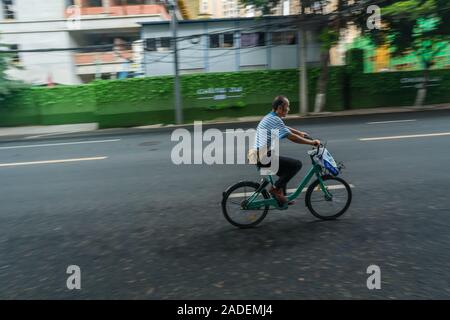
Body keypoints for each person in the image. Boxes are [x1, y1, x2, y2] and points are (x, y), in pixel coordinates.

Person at [253, 96, 320, 205]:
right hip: (262, 156)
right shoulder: (274, 119)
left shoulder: (271, 117)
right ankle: (275, 190)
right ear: (280, 108)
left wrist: (300, 133)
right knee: (296, 165)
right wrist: (312, 143)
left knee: (285, 171)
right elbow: (291, 137)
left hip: (259, 155)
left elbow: (284, 127)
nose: (288, 109)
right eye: (287, 107)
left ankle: (280, 197)